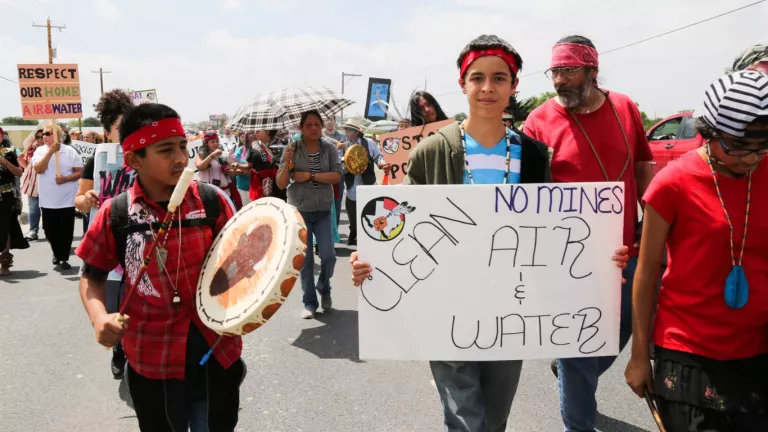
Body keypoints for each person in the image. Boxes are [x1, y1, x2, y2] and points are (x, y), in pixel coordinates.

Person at [352, 34, 548, 432]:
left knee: (494, 419)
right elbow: (400, 226)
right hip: (446, 305)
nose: (488, 88)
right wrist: (371, 257)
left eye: (499, 78)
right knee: (465, 421)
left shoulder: (533, 156)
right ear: (462, 84)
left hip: (510, 311)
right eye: (477, 78)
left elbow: (553, 234)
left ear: (514, 85)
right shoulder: (431, 152)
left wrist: (597, 257)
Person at [76, 103, 244, 431]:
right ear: (133, 160)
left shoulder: (213, 202)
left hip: (216, 356)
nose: (181, 158)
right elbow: (90, 277)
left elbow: (246, 262)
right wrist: (99, 317)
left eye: (183, 146)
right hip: (152, 364)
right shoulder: (117, 214)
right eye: (166, 150)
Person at [523, 35, 655, 432]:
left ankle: (571, 373)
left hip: (625, 247)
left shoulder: (625, 107)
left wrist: (649, 217)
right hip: (567, 258)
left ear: (592, 71)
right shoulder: (539, 121)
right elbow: (525, 192)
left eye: (569, 71)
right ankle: (576, 419)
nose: (560, 81)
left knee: (625, 327)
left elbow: (645, 162)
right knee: (578, 349)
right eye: (555, 72)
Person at [625, 71, 768, 432]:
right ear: (709, 131)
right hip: (686, 350)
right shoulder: (672, 183)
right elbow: (647, 272)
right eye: (737, 146)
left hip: (758, 348)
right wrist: (639, 355)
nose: (751, 158)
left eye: (763, 146)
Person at [74, 89, 135, 379]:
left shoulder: (144, 155)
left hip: (143, 241)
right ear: (107, 132)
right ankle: (119, 350)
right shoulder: (97, 159)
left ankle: (139, 351)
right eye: (120, 129)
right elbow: (79, 198)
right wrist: (86, 201)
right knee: (113, 303)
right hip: (109, 242)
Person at [276, 110, 342, 319]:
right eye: (309, 125)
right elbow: (281, 183)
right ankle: (310, 302)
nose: (314, 128)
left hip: (323, 209)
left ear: (322, 126)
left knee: (329, 256)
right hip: (300, 210)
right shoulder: (292, 150)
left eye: (317, 124)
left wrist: (310, 175)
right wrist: (287, 164)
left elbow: (337, 176)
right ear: (301, 128)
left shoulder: (329, 149)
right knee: (305, 260)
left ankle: (324, 285)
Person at [31, 123, 83, 270]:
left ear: (57, 135)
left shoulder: (70, 151)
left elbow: (80, 172)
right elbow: (39, 169)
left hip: (66, 199)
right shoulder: (40, 151)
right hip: (47, 200)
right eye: (43, 134)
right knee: (49, 229)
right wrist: (50, 152)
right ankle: (56, 251)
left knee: (65, 230)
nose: (44, 136)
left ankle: (64, 257)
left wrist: (66, 179)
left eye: (48, 133)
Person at [338, 118, 390, 246]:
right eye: (345, 131)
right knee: (353, 216)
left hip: (368, 184)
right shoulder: (343, 145)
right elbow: (337, 165)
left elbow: (379, 156)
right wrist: (344, 163)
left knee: (370, 213)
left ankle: (370, 238)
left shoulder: (369, 143)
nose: (346, 134)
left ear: (356, 132)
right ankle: (353, 233)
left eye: (348, 131)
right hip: (351, 188)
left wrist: (381, 163)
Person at [0, 131, 27, 276]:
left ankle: (4, 262)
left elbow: (18, 172)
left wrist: (4, 162)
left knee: (5, 227)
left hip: (5, 196)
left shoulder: (9, 153)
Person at [19, 129, 43, 241]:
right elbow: (26, 165)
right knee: (33, 208)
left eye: (43, 136)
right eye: (38, 137)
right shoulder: (30, 150)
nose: (41, 139)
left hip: (48, 184)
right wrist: (21, 160)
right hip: (33, 183)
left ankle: (51, 230)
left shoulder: (54, 150)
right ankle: (33, 230)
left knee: (49, 209)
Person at [249, 129, 286, 201]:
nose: (255, 132)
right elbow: (249, 165)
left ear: (268, 131)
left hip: (278, 182)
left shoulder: (282, 144)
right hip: (259, 184)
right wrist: (237, 166)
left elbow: (289, 164)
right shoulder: (254, 145)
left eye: (258, 130)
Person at [323, 118, 346, 226]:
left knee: (337, 203)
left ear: (335, 121)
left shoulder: (342, 136)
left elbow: (347, 153)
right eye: (327, 120)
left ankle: (335, 230)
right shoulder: (320, 136)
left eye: (331, 119)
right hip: (324, 173)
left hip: (338, 172)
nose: (329, 122)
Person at [229, 132, 253, 207]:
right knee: (247, 209)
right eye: (250, 133)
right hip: (243, 186)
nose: (253, 134)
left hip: (258, 186)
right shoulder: (241, 149)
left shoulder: (261, 149)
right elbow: (231, 162)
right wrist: (242, 170)